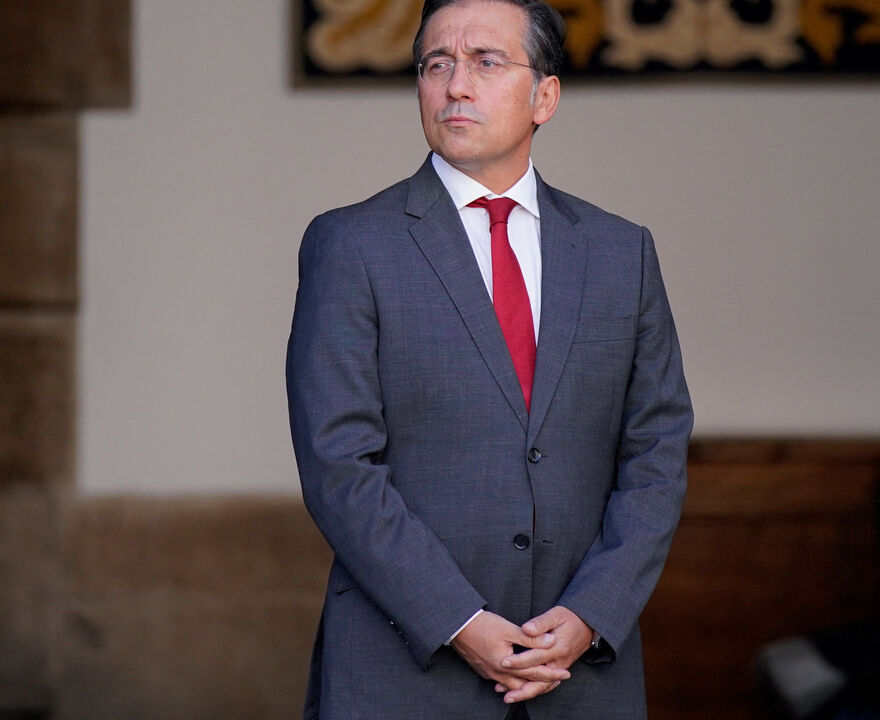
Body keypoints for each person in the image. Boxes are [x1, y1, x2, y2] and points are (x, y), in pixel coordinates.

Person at [284, 0, 693, 718]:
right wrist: (459, 621)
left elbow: (656, 451)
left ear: (546, 96)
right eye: (435, 64)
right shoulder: (352, 245)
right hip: (403, 671)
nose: (455, 85)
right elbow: (339, 464)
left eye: (485, 61)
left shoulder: (619, 252)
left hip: (579, 674)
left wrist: (592, 614)